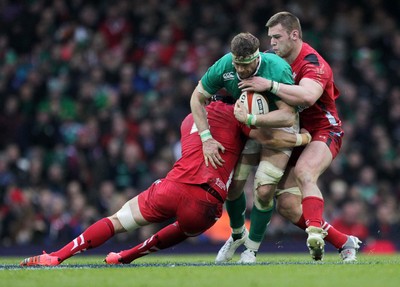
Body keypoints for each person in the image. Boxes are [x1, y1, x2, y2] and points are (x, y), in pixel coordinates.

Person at [19, 98, 311, 266]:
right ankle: (127, 256)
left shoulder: (188, 120)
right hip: (209, 201)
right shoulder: (239, 120)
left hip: (174, 186)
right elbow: (265, 137)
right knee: (184, 228)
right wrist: (300, 137)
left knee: (118, 220)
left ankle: (57, 256)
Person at [234, 11, 361, 261]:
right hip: (293, 132)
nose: (272, 43)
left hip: (324, 130)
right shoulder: (271, 60)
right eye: (270, 37)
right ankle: (344, 242)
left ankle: (314, 233)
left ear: (294, 35)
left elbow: (308, 96)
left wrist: (269, 86)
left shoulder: (313, 63)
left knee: (305, 173)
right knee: (288, 206)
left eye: (277, 37)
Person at [190, 32, 301, 263]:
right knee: (232, 187)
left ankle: (251, 249)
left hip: (277, 125)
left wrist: (251, 119)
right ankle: (238, 234)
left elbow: (288, 116)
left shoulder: (276, 68)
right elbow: (196, 98)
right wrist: (206, 137)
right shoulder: (224, 65)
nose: (240, 70)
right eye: (237, 64)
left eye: (246, 64)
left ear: (257, 56)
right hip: (248, 122)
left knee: (263, 188)